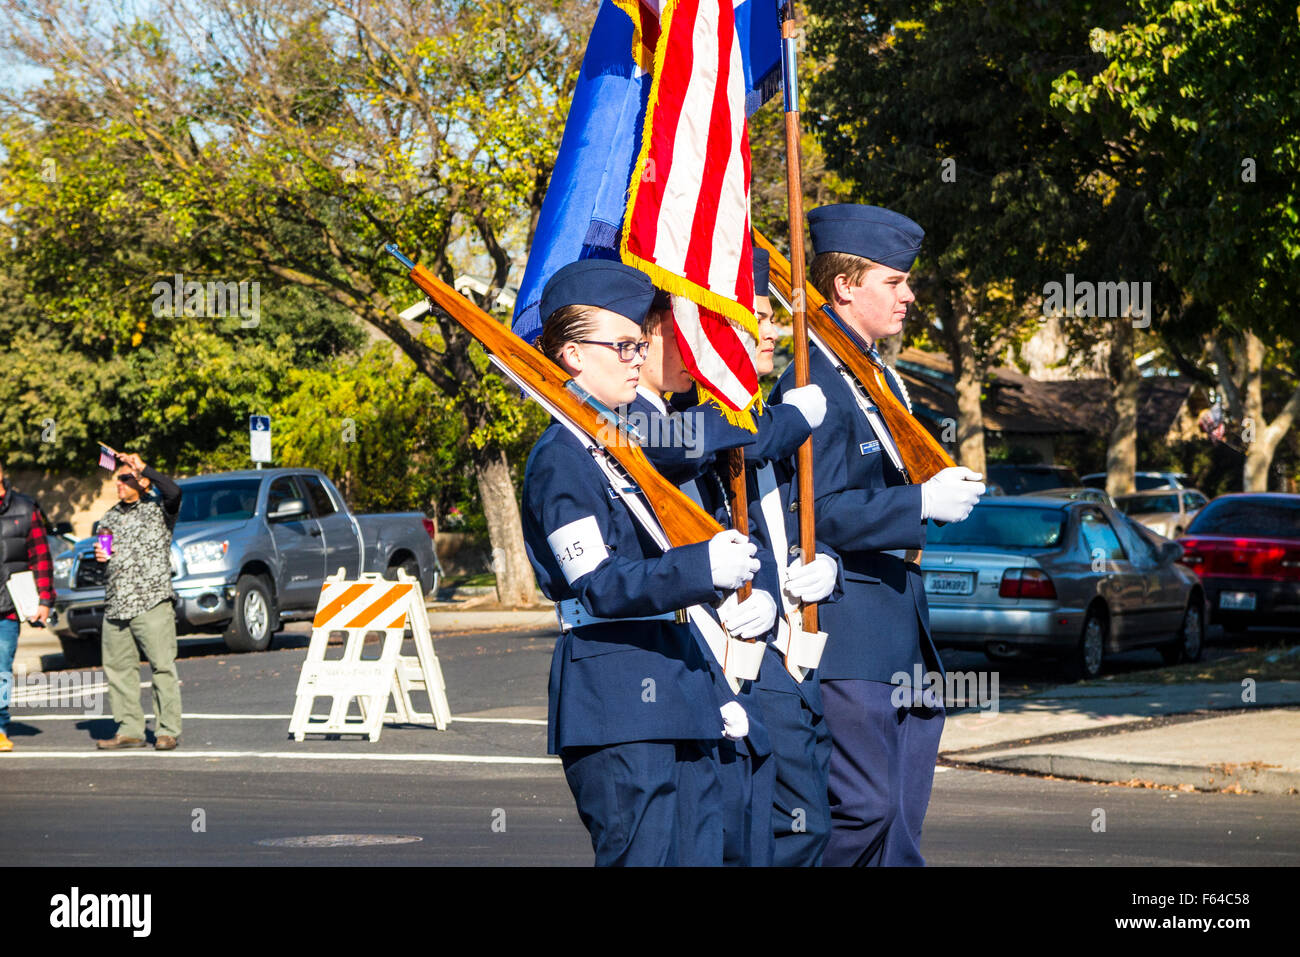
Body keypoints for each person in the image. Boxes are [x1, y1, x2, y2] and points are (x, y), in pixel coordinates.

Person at [522, 259, 760, 866]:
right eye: (624, 343)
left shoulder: (618, 446)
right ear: (573, 354)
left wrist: (710, 683)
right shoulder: (562, 457)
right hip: (619, 701)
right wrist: (702, 568)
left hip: (679, 685)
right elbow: (599, 586)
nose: (638, 355)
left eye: (641, 342)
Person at [770, 204, 984, 866]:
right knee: (866, 810)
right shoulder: (812, 379)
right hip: (850, 632)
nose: (909, 295)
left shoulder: (877, 375)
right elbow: (817, 508)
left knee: (901, 821)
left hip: (902, 628)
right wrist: (918, 501)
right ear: (844, 285)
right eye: (893, 281)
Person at [94, 453, 184, 751]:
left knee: (162, 667)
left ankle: (167, 730)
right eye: (118, 478)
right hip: (117, 604)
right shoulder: (108, 518)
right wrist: (101, 558)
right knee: (119, 671)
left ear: (142, 483)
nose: (119, 483)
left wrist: (143, 466)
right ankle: (130, 729)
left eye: (126, 478)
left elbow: (174, 491)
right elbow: (105, 557)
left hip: (152, 601)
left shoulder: (159, 509)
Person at [0, 458, 54, 752]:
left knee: (1, 669)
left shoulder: (24, 508)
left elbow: (41, 557)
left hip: (6, 608)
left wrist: (45, 600)